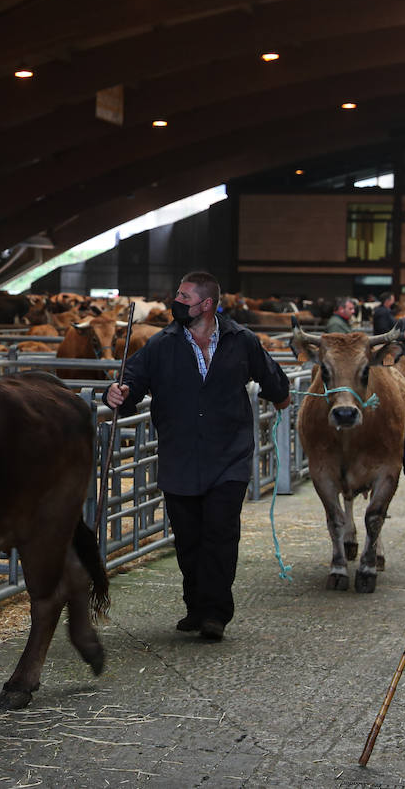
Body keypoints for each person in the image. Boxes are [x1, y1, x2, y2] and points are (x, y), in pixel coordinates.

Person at [105, 271, 289, 641]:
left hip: (229, 456)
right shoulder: (162, 344)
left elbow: (274, 380)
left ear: (206, 304)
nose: (176, 301)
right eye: (178, 295)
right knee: (188, 540)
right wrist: (116, 393)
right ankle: (196, 607)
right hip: (180, 456)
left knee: (220, 535)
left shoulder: (241, 340)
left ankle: (215, 613)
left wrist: (281, 394)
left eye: (184, 297)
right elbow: (131, 384)